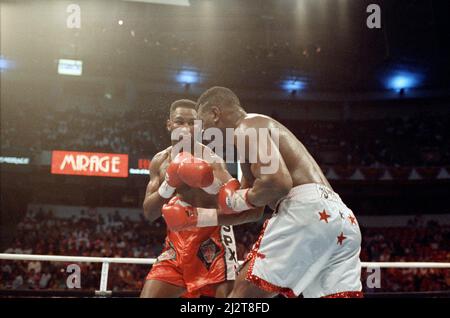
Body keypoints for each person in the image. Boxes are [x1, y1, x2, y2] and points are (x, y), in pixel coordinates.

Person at [193, 86, 362, 298]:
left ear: (215, 114)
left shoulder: (248, 126)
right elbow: (253, 211)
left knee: (243, 293)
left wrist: (236, 199)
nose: (204, 135)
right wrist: (197, 218)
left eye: (203, 125)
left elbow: (277, 183)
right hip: (341, 220)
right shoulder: (254, 136)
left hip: (306, 212)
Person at [140, 99, 262, 298]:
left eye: (192, 123)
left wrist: (210, 188)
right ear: (169, 124)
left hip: (213, 242)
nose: (186, 128)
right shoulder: (160, 161)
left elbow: (244, 209)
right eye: (180, 122)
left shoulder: (212, 161)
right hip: (175, 242)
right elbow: (150, 212)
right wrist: (169, 184)